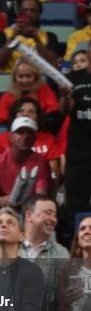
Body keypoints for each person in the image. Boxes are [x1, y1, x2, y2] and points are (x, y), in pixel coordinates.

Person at [0, 117, 50, 210]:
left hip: (30, 210)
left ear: (34, 139)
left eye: (29, 133)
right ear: (10, 137)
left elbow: (40, 198)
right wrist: (2, 201)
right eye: (20, 132)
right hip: (2, 210)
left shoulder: (41, 163)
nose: (25, 137)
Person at [20, 195, 70, 311]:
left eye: (55, 215)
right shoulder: (10, 247)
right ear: (29, 215)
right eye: (48, 213)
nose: (53, 219)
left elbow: (64, 300)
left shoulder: (61, 253)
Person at [0, 97, 61, 178]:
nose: (25, 114)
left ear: (38, 116)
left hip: (41, 183)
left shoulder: (49, 139)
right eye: (21, 111)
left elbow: (53, 171)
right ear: (14, 115)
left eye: (31, 111)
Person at [0, 58, 60, 131]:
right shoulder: (7, 97)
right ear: (15, 78)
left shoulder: (44, 90)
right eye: (21, 76)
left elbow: (53, 116)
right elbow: (0, 124)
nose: (24, 80)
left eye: (28, 76)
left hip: (42, 132)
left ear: (35, 77)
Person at [0, 0, 60, 73]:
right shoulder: (4, 34)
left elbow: (54, 64)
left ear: (39, 14)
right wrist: (13, 37)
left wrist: (37, 40)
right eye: (25, 10)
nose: (28, 14)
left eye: (33, 11)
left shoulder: (49, 36)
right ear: (19, 12)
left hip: (39, 80)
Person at [63, 40, 91, 217]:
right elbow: (64, 111)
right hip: (78, 153)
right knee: (74, 207)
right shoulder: (74, 77)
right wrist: (65, 98)